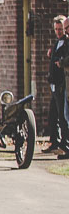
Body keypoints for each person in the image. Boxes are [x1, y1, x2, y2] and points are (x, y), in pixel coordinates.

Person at [45, 15, 68, 154]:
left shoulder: (67, 42)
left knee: (62, 116)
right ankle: (54, 142)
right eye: (56, 29)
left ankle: (63, 144)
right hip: (53, 83)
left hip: (61, 84)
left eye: (61, 29)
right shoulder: (57, 42)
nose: (59, 31)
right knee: (53, 115)